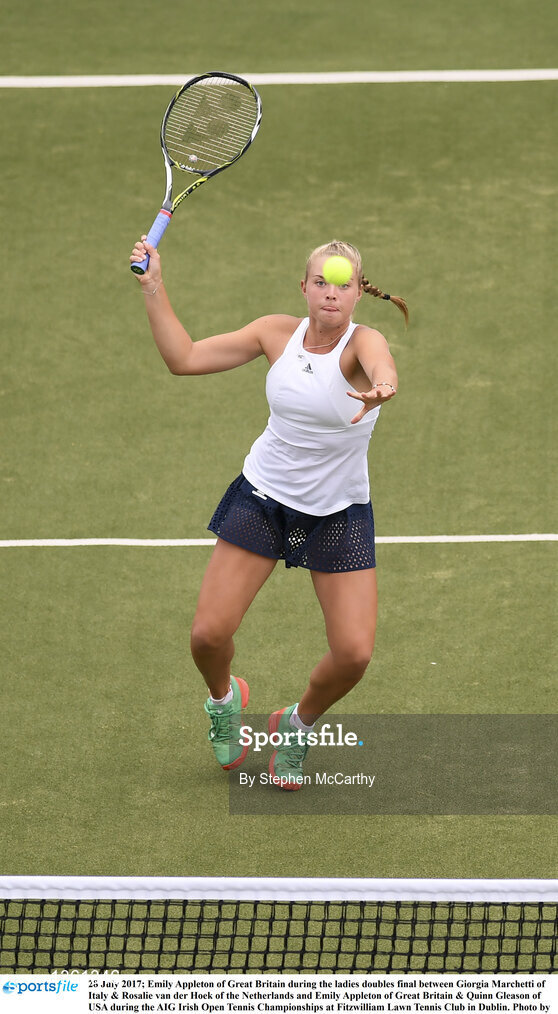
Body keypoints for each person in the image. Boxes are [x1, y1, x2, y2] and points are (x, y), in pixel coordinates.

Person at [129, 236, 407, 790]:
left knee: (353, 654)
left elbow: (382, 367)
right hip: (263, 498)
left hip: (337, 513)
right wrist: (153, 286)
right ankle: (223, 699)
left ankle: (296, 724)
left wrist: (383, 389)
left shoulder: (363, 342)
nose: (331, 293)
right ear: (303, 287)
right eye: (321, 281)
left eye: (343, 284)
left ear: (358, 295)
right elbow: (183, 359)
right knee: (207, 636)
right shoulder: (273, 334)